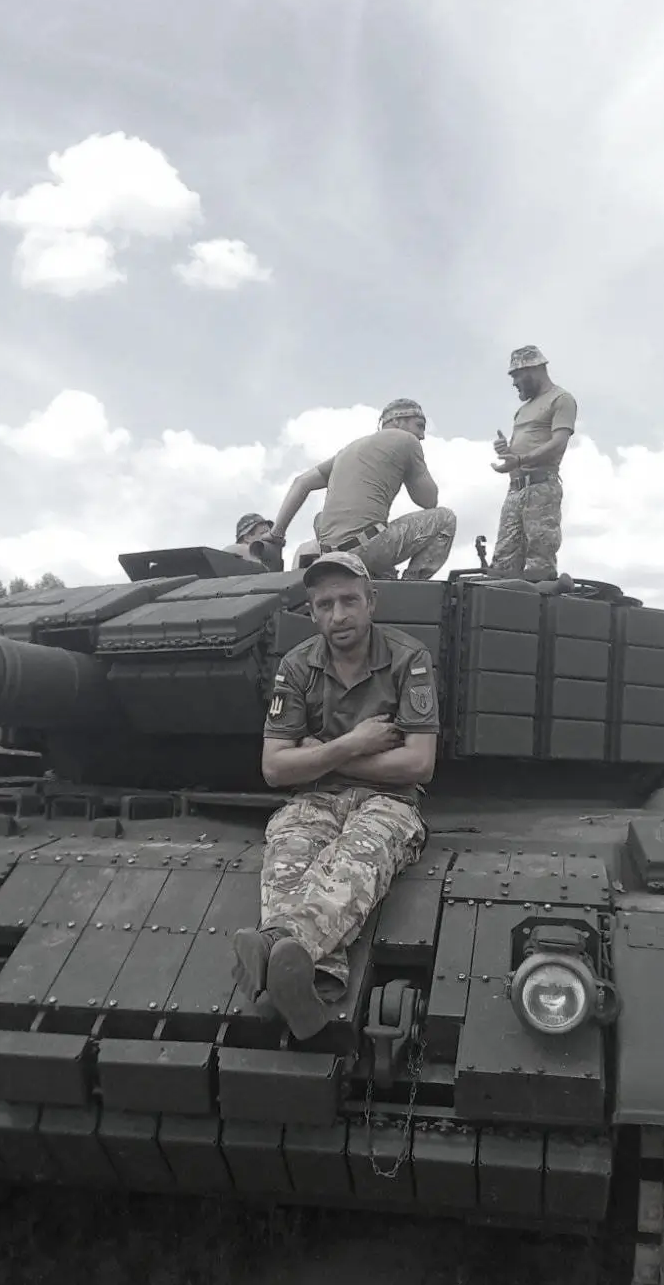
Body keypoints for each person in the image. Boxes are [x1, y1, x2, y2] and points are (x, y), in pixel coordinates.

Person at [233, 550, 439, 1038]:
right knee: (287, 854)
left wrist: (321, 752)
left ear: (372, 600)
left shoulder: (410, 658)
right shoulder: (298, 664)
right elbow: (274, 768)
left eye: (349, 600)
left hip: (389, 801)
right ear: (312, 612)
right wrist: (356, 742)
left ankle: (276, 945)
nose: (338, 615)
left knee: (355, 860)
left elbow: (418, 763)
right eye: (325, 604)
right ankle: (314, 984)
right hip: (317, 800)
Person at [259, 400, 456, 580]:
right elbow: (428, 501)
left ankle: (380, 575)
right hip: (367, 548)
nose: (422, 435)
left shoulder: (348, 450)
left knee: (322, 517)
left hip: (329, 552)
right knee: (446, 518)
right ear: (398, 421)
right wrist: (413, 465)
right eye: (419, 426)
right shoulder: (406, 440)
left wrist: (277, 535)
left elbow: (301, 482)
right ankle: (411, 585)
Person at [490, 346, 577, 581]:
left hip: (541, 488)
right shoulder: (522, 410)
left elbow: (558, 443)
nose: (515, 383)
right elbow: (520, 451)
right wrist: (506, 453)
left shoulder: (561, 399)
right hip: (515, 490)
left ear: (534, 370)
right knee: (502, 564)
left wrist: (520, 459)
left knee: (539, 563)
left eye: (517, 375)